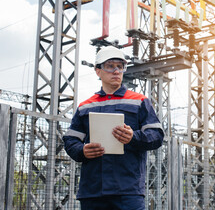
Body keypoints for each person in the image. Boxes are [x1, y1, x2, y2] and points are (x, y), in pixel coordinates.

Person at [63, 46, 164, 210]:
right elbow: (70, 140)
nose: (116, 71)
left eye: (120, 66)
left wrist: (134, 137)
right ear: (98, 71)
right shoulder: (85, 106)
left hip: (127, 190)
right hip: (93, 190)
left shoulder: (140, 101)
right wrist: (82, 150)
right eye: (110, 66)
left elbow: (156, 136)